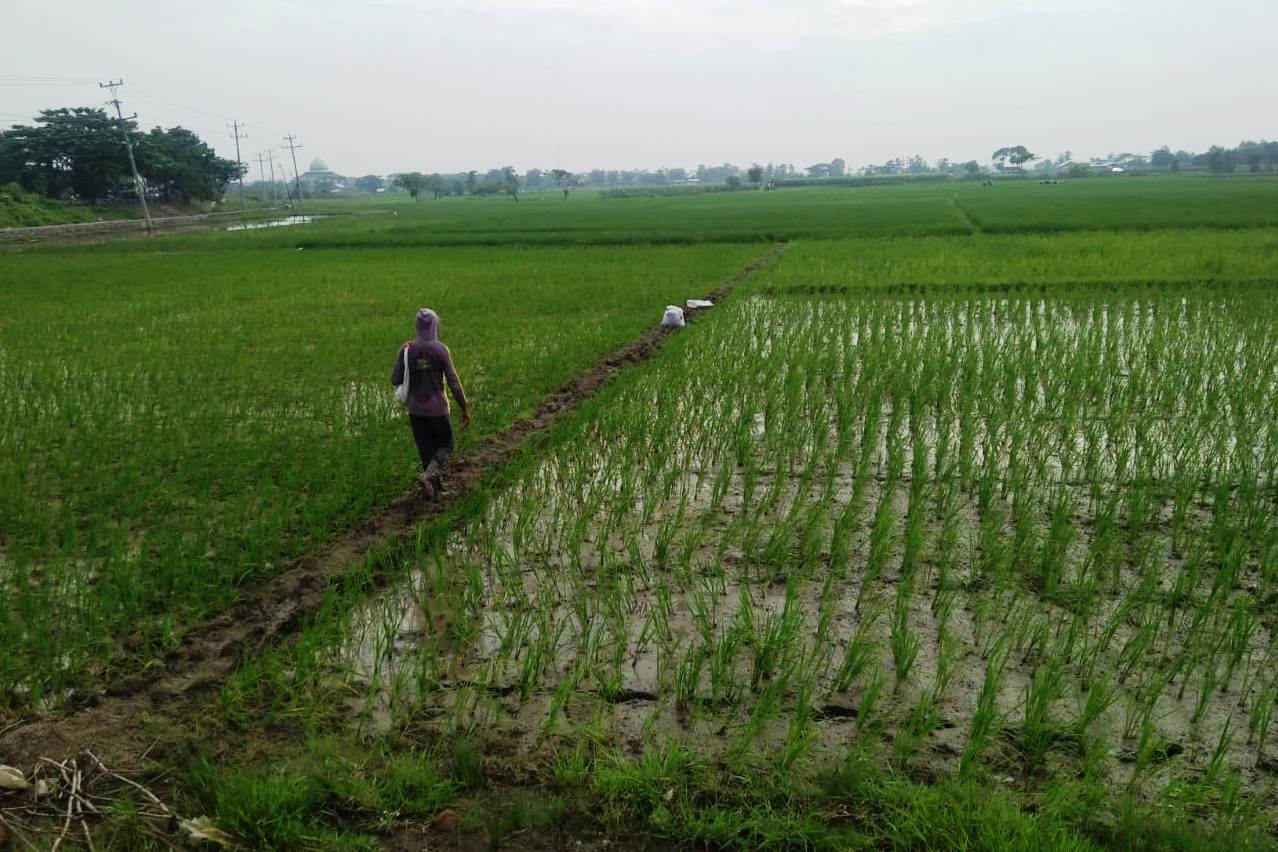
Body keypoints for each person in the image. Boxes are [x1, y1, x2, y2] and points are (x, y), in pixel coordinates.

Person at [391, 308, 470, 500]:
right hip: (438, 410)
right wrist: (464, 407)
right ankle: (429, 479)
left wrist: (409, 364)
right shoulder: (440, 349)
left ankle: (435, 492)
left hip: (415, 411)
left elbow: (395, 379)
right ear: (435, 325)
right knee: (446, 444)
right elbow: (453, 382)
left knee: (427, 453)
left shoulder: (406, 349)